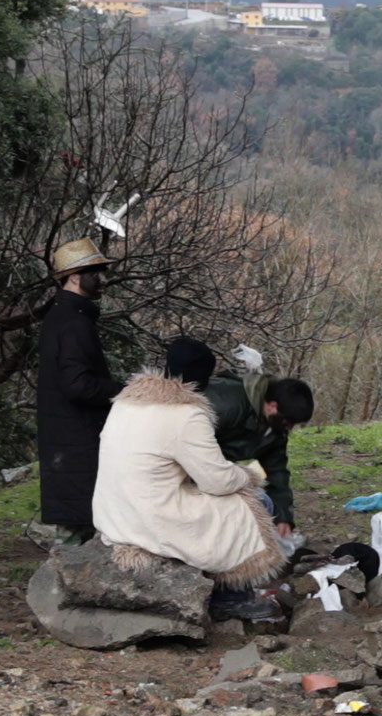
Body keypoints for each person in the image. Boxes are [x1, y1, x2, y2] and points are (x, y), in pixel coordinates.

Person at [93, 338, 286, 620]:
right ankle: (230, 597)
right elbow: (217, 481)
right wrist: (248, 474)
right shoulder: (185, 413)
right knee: (258, 502)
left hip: (116, 511)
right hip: (151, 516)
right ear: (204, 379)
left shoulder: (126, 401)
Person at [37, 238, 123, 545]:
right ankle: (65, 588)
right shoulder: (73, 322)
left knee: (79, 527)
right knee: (76, 533)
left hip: (70, 441)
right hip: (76, 440)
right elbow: (77, 385)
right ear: (74, 277)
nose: (103, 279)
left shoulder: (63, 316)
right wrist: (124, 392)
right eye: (95, 272)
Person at [205, 369, 314, 537]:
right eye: (288, 422)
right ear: (273, 405)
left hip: (218, 471)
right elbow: (189, 444)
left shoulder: (275, 428)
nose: (289, 428)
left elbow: (276, 471)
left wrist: (283, 516)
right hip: (190, 467)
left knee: (264, 504)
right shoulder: (226, 404)